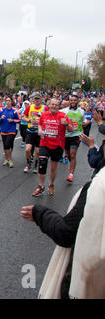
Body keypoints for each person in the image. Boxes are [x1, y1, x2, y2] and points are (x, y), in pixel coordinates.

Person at [21, 163, 105, 299]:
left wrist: (40, 214)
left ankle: (49, 184)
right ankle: (43, 186)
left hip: (90, 284)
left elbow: (66, 233)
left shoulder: (99, 185)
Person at [32, 98, 74, 197]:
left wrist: (67, 124)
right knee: (42, 164)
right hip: (45, 143)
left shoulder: (63, 116)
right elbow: (40, 125)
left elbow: (71, 129)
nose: (54, 106)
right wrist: (40, 130)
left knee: (53, 168)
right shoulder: (44, 114)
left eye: (56, 105)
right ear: (49, 105)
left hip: (58, 145)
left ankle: (51, 185)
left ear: (58, 106)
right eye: (52, 104)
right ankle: (41, 186)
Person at [61, 92, 86, 183]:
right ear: (69, 101)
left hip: (76, 135)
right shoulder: (64, 111)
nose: (73, 102)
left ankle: (71, 174)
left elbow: (83, 121)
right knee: (68, 154)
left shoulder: (81, 111)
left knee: (73, 154)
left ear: (78, 101)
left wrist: (85, 123)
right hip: (66, 135)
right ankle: (70, 163)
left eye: (75, 100)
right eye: (71, 100)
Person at [23, 92, 46, 174]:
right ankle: (28, 163)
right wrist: (29, 120)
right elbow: (24, 117)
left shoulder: (44, 108)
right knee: (27, 149)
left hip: (39, 133)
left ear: (41, 99)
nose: (36, 100)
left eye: (38, 99)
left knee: (37, 151)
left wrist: (40, 122)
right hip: (30, 131)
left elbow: (48, 118)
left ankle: (36, 165)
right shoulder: (30, 107)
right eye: (35, 99)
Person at [0, 97, 20, 168]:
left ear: (11, 102)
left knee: (8, 144)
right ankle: (6, 159)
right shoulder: (2, 110)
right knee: (5, 145)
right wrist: (1, 118)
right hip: (3, 130)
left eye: (9, 101)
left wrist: (13, 120)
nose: (7, 102)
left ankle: (10, 159)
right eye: (6, 101)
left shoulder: (14, 110)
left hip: (12, 130)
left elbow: (19, 120)